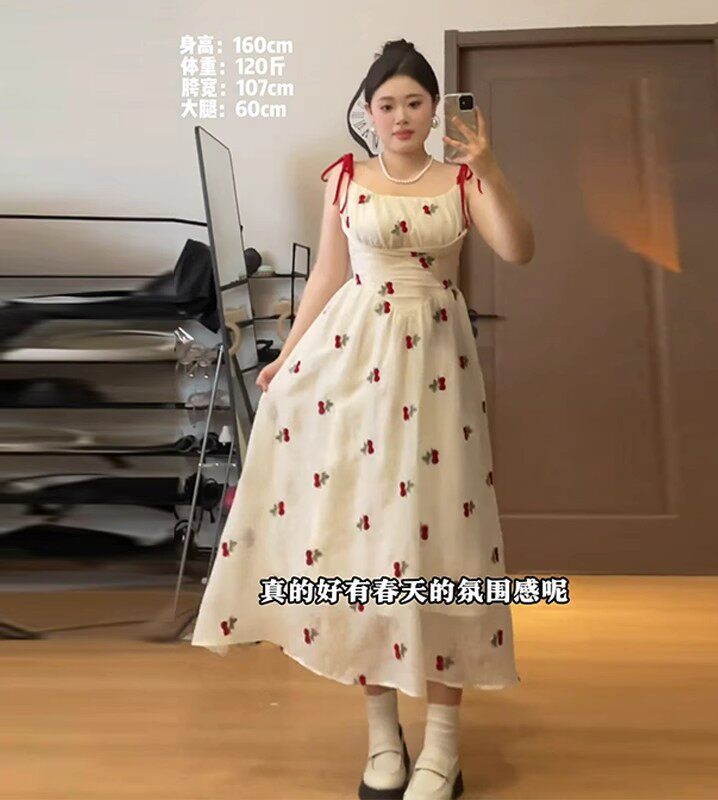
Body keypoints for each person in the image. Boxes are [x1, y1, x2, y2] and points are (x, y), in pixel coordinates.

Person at [190, 37, 535, 800]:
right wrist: (287, 358)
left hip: (438, 370)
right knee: (361, 538)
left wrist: (490, 166)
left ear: (435, 110)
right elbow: (327, 273)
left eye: (415, 102)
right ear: (367, 113)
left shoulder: (462, 179)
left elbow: (518, 250)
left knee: (446, 543)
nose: (401, 115)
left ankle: (443, 744)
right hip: (354, 364)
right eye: (387, 104)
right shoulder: (345, 177)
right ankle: (383, 735)